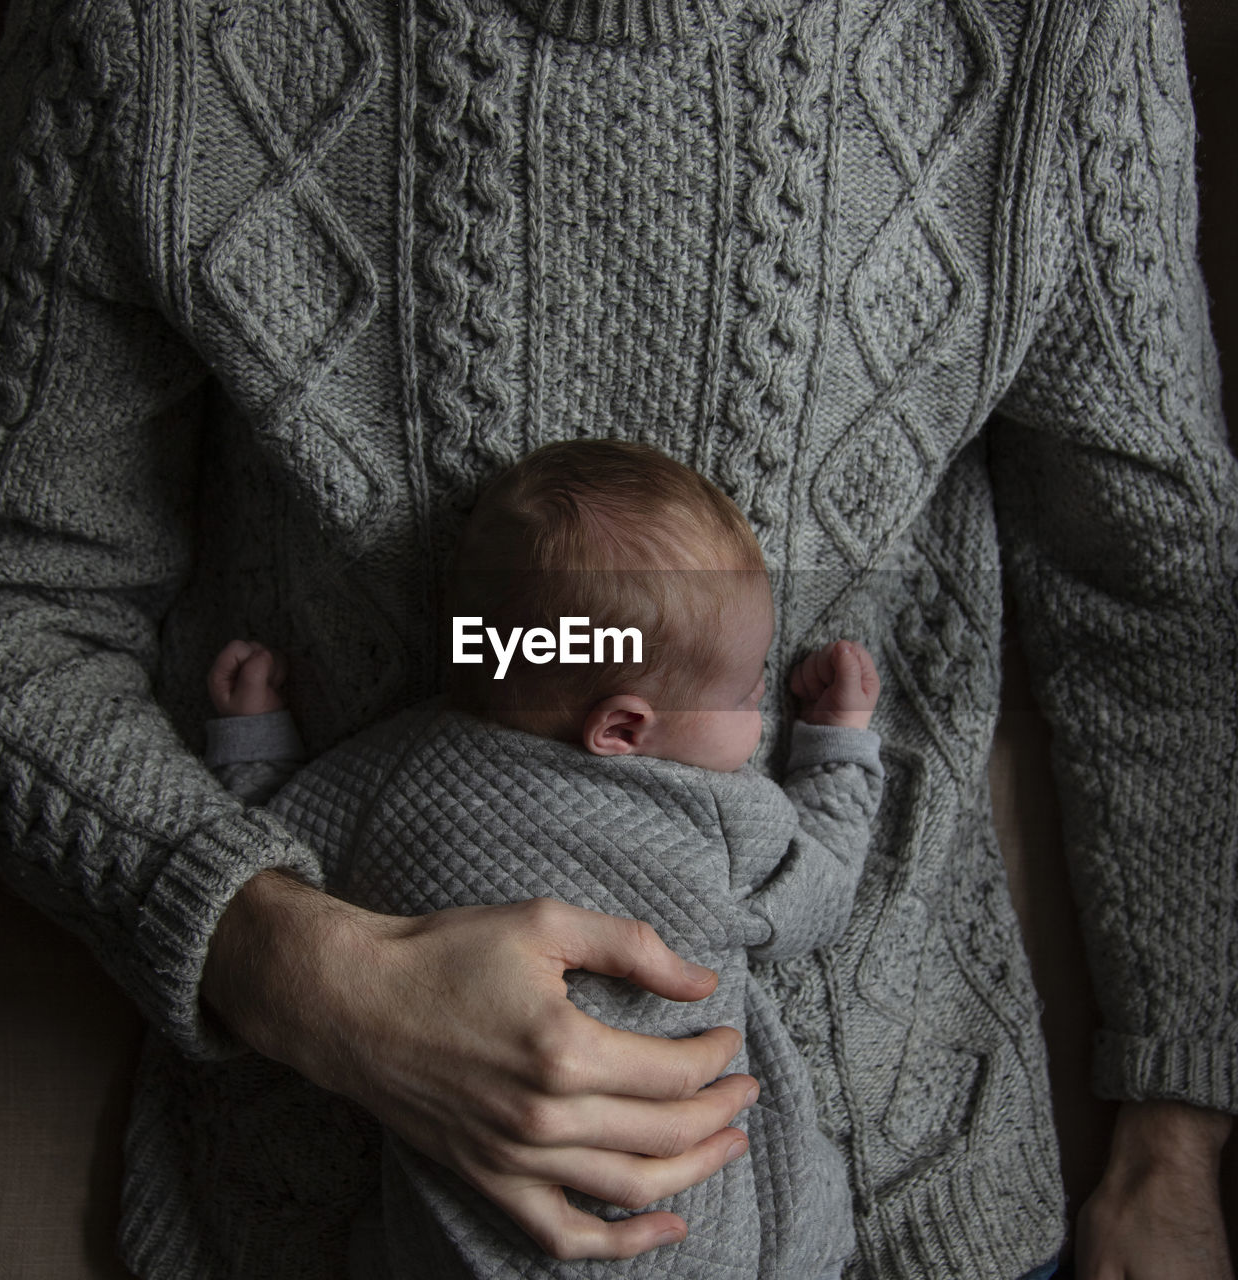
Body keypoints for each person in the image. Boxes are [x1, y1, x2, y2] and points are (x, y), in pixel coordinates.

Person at [0, 0, 1233, 1276]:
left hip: (887, 1183)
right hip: (333, 1171)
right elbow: (6, 588)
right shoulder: (148, 37)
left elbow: (1159, 595)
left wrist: (1172, 1134)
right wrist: (282, 957)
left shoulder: (1060, 32)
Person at [201, 439, 885, 1280]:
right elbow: (820, 893)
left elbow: (277, 849)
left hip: (466, 1240)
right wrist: (837, 743)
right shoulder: (709, 807)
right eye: (748, 693)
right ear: (625, 729)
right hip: (697, 1230)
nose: (759, 706)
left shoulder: (387, 773)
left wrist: (252, 733)